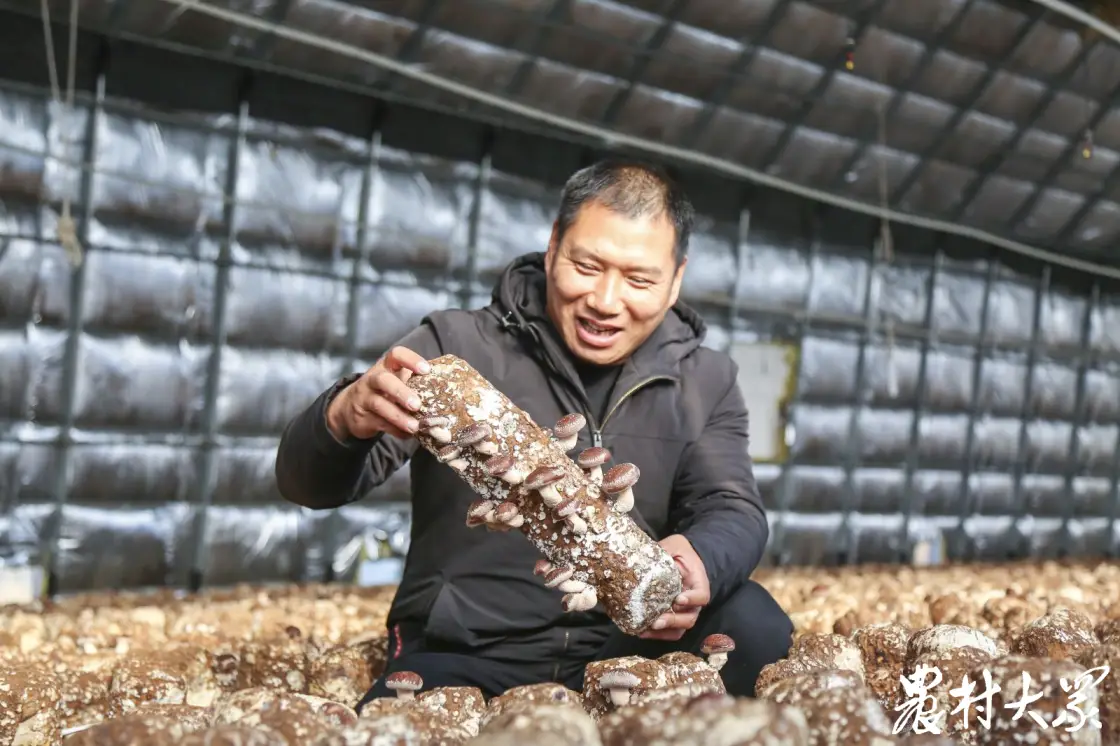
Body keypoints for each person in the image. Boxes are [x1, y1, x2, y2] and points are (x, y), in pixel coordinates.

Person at [274, 158, 793, 709]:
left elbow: (732, 506)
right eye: (587, 266)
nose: (606, 301)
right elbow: (310, 486)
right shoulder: (453, 348)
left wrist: (699, 562)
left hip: (626, 647)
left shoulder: (705, 379)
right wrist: (343, 416)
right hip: (467, 648)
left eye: (639, 279)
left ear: (675, 281)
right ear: (552, 249)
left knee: (753, 621)